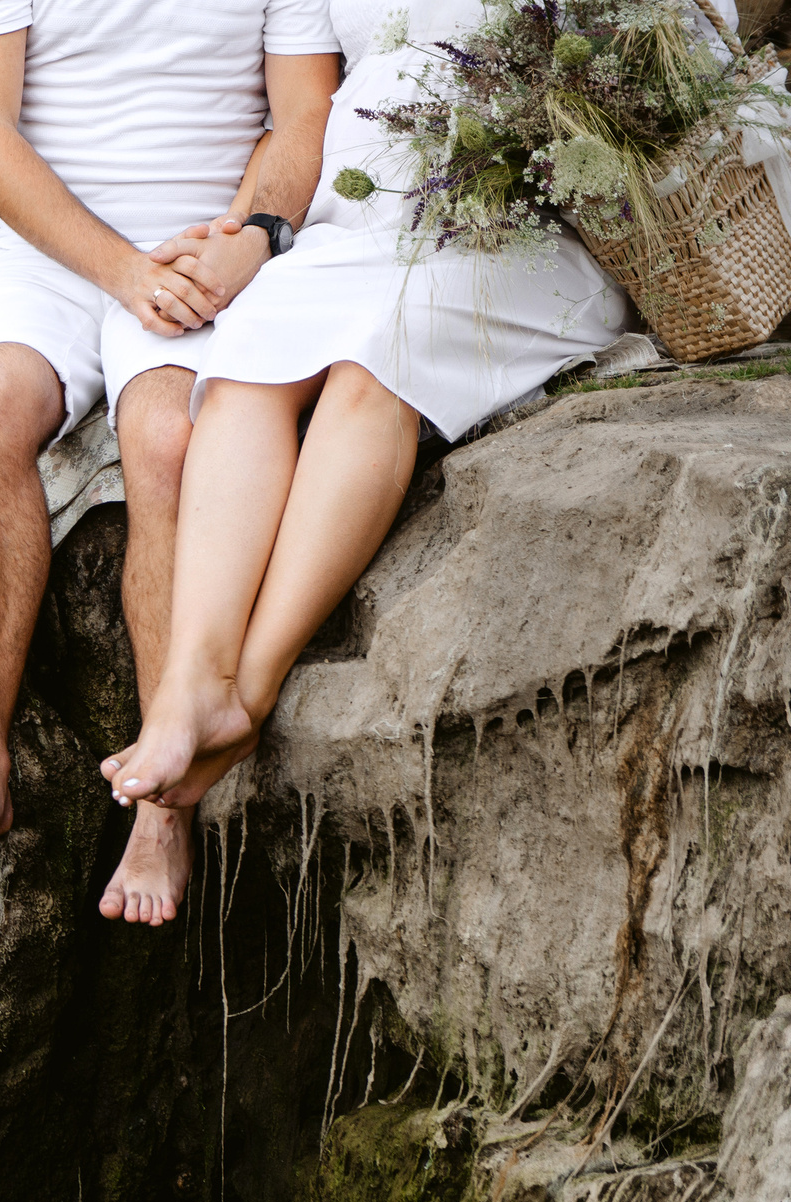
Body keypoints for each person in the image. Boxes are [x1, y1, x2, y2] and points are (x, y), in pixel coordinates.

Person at [101, 0, 641, 817]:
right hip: (359, 219)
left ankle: (243, 693)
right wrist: (255, 233)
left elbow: (667, 56)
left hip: (530, 225)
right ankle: (189, 681)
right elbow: (304, 110)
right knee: (249, 354)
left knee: (379, 355)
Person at [0, 0, 342, 925]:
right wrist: (119, 272)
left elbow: (305, 112)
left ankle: (159, 794)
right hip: (50, 254)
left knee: (169, 437)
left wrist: (250, 235)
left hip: (199, 253)